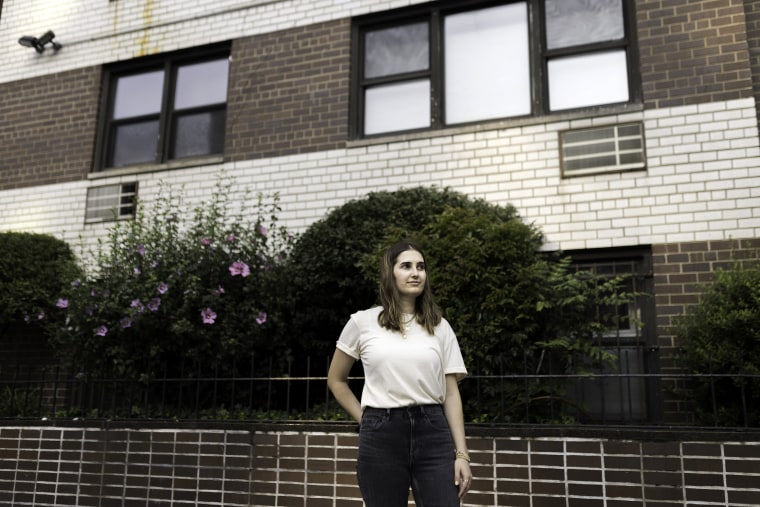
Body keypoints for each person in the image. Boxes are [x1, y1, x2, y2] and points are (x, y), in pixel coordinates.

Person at [327, 239, 473, 506]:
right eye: (406, 266)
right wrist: (366, 419)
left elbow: (451, 394)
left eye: (421, 266)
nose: (415, 273)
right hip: (381, 435)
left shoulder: (440, 326)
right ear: (390, 273)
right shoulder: (362, 322)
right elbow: (336, 380)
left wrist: (462, 455)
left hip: (433, 433)